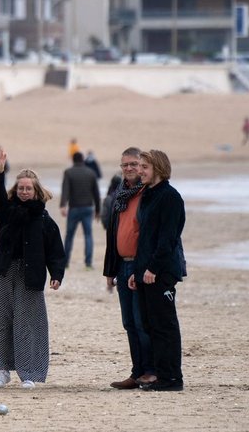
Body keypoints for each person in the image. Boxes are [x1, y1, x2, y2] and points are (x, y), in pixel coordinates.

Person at [0, 148, 65, 389]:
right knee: (1, 320)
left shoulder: (43, 219)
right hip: (2, 270)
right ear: (15, 190)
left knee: (28, 322)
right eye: (20, 188)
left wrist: (56, 275)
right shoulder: (7, 212)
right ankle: (3, 370)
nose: (23, 191)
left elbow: (55, 250)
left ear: (35, 191)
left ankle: (28, 373)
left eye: (28, 188)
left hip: (30, 275)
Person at [130, 150, 187, 392]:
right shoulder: (148, 195)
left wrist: (153, 268)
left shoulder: (170, 197)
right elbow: (144, 239)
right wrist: (137, 270)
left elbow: (168, 239)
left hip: (161, 273)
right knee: (150, 324)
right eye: (140, 166)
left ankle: (172, 379)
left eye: (145, 167)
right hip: (145, 272)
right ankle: (161, 376)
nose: (140, 170)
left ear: (159, 169)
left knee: (165, 326)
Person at [102, 147, 156, 390]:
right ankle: (137, 372)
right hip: (122, 266)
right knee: (129, 322)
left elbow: (150, 236)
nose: (130, 169)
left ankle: (150, 371)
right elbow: (113, 234)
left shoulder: (148, 194)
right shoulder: (120, 195)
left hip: (140, 265)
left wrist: (144, 267)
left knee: (142, 321)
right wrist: (109, 271)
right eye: (125, 165)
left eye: (134, 164)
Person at [59, 151, 101, 270]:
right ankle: (88, 263)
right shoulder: (91, 172)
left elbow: (65, 190)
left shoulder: (69, 172)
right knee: (88, 235)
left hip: (74, 208)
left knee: (69, 235)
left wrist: (63, 205)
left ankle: (65, 262)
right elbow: (96, 193)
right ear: (83, 159)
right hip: (88, 208)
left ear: (73, 160)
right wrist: (98, 210)